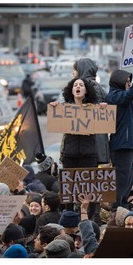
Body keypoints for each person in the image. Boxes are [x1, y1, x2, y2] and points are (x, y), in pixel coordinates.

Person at [50, 77, 105, 225]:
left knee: (90, 189)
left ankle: (89, 218)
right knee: (69, 191)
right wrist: (55, 107)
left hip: (89, 155)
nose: (78, 87)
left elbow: (106, 121)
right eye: (75, 85)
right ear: (71, 90)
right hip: (70, 155)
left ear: (86, 90)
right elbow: (56, 119)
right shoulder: (64, 108)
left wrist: (103, 109)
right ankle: (70, 219)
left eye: (81, 85)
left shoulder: (94, 109)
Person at [105, 58, 133, 211]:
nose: (129, 84)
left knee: (128, 181)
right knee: (121, 180)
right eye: (127, 81)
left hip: (131, 143)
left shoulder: (124, 97)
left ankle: (121, 206)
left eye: (130, 81)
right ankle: (116, 209)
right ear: (118, 81)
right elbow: (132, 93)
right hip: (122, 144)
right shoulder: (114, 97)